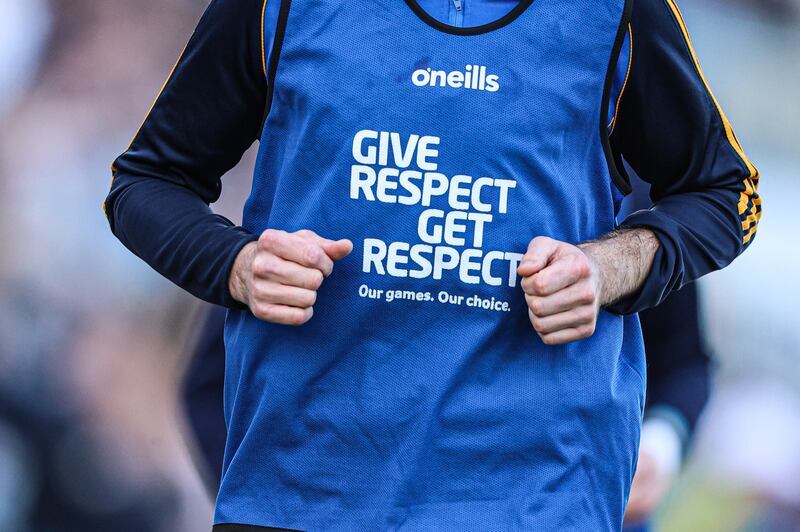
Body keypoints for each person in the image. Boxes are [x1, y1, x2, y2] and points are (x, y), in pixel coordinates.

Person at [104, 0, 760, 529]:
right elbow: (145, 182)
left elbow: (730, 194)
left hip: (537, 499)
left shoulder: (615, 15)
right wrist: (236, 263)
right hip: (301, 494)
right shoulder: (278, 8)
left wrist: (612, 265)